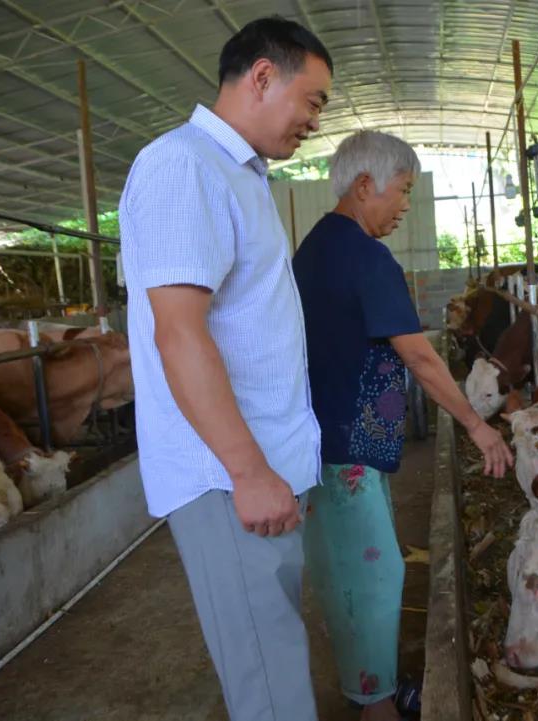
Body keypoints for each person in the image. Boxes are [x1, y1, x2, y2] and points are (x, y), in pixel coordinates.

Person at [119, 17, 332, 721]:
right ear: (264, 76)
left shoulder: (241, 175)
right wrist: (247, 470)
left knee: (274, 656)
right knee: (270, 685)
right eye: (315, 100)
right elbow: (179, 335)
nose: (313, 121)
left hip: (257, 466)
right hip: (227, 475)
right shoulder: (183, 166)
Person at [293, 130, 513, 721]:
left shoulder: (315, 247)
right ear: (366, 186)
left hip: (331, 440)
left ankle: (376, 690)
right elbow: (418, 355)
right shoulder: (366, 256)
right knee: (373, 576)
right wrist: (476, 426)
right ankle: (375, 706)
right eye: (404, 191)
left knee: (355, 567)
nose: (406, 206)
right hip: (347, 447)